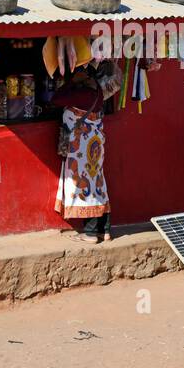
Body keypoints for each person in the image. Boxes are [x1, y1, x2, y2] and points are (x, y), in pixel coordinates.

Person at [50, 66, 111, 242]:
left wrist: (71, 82)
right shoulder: (97, 90)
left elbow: (56, 99)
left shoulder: (82, 93)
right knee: (97, 180)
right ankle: (104, 229)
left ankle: (91, 232)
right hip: (96, 144)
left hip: (81, 147)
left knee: (84, 183)